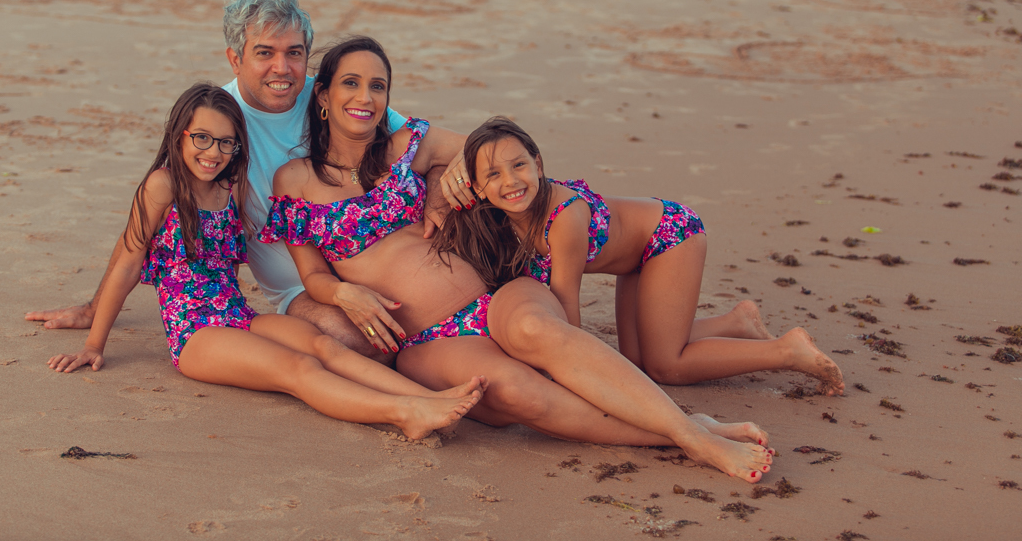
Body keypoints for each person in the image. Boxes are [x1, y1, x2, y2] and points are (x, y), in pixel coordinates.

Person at [261, 37, 776, 482]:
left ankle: (687, 430)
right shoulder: (294, 182)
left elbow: (483, 150)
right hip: (429, 337)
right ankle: (682, 434)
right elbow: (312, 276)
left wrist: (443, 184)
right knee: (517, 395)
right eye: (351, 84)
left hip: (494, 296)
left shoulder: (407, 144)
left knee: (538, 331)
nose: (366, 97)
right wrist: (343, 292)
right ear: (324, 97)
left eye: (378, 86)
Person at [26, 0, 457, 360]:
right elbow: (143, 226)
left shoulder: (336, 97)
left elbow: (427, 149)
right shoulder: (219, 122)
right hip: (301, 287)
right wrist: (95, 308)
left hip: (375, 256)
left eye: (294, 53)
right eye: (264, 53)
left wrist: (438, 193)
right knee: (355, 339)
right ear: (235, 59)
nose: (282, 69)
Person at [46, 82, 484, 440]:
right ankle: (404, 413)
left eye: (225, 143)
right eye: (201, 138)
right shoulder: (163, 186)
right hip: (196, 331)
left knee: (321, 344)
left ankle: (430, 399)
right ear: (179, 133)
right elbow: (128, 260)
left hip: (237, 313)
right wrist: (94, 344)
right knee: (298, 368)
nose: (212, 152)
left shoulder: (229, 186)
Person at [433, 116, 844, 394]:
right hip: (633, 258)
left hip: (668, 238)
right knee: (636, 358)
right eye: (493, 175)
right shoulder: (498, 215)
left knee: (666, 367)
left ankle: (786, 351)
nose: (511, 182)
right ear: (475, 186)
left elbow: (566, 309)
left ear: (538, 164)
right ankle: (738, 323)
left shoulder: (563, 219)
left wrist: (566, 378)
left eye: (519, 165)